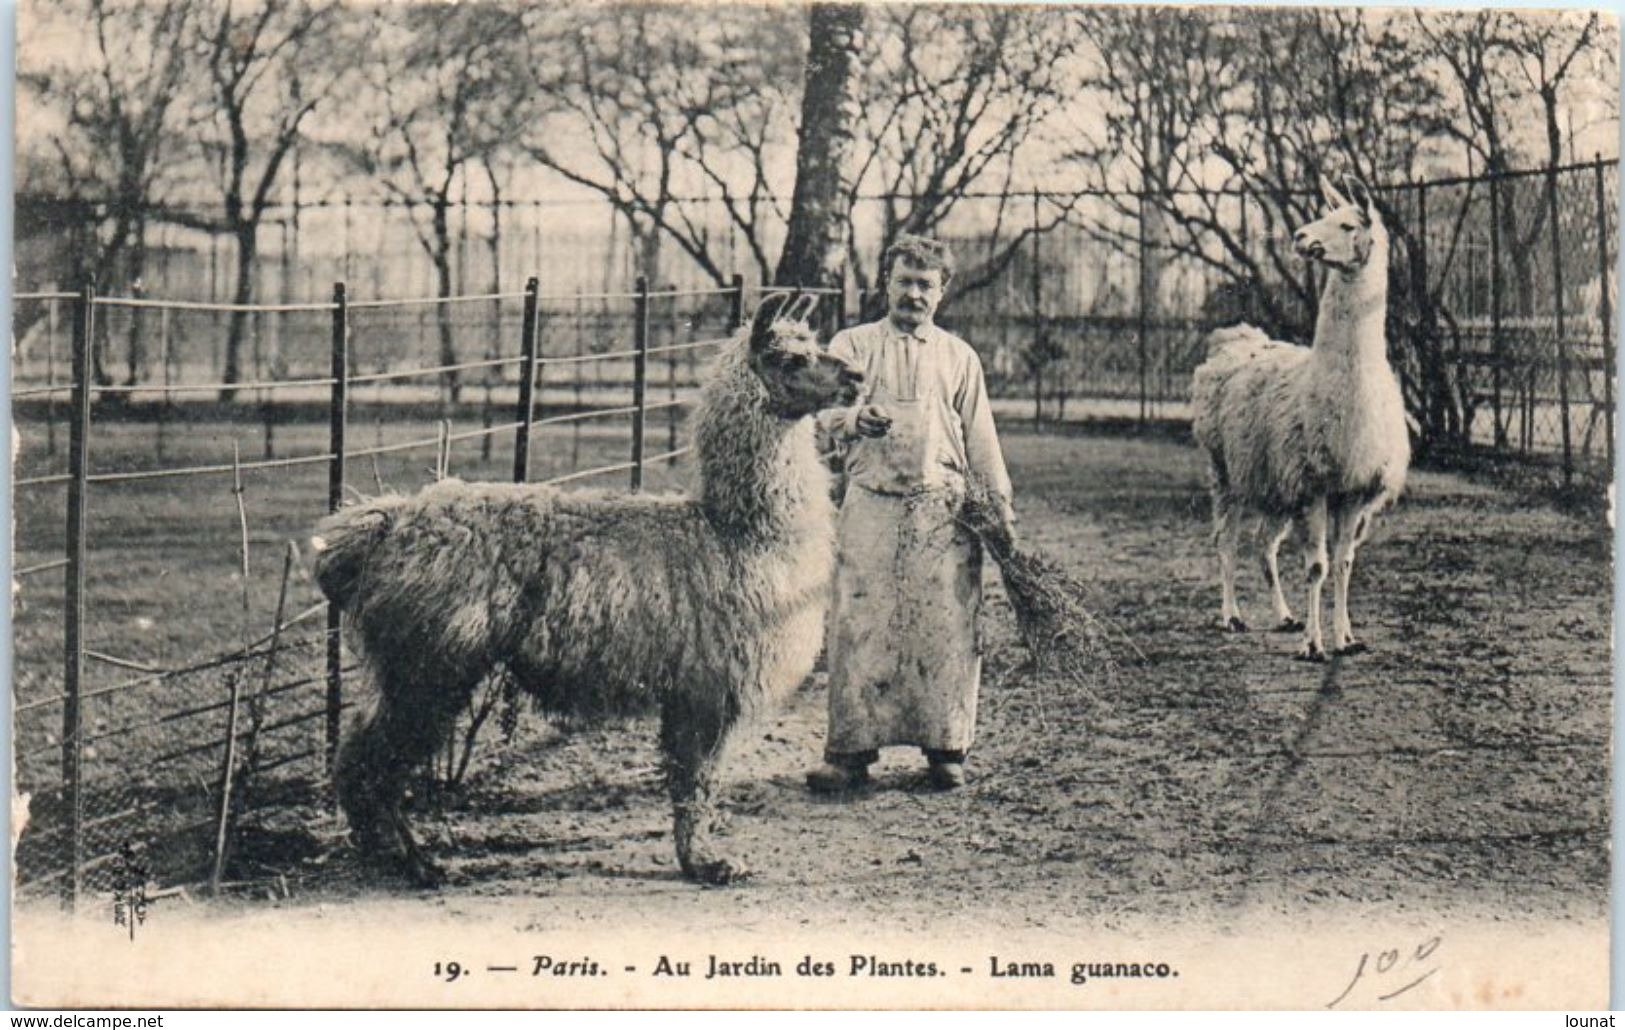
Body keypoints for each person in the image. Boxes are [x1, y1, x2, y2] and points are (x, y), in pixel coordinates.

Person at [808, 235, 1013, 794]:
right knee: (860, 625)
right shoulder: (852, 346)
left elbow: (982, 441)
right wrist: (853, 420)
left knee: (944, 626)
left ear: (942, 292)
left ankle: (946, 748)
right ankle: (849, 752)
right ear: (886, 285)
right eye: (904, 282)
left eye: (925, 284)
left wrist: (998, 510)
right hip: (870, 506)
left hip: (940, 515)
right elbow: (818, 414)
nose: (913, 294)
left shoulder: (958, 357)